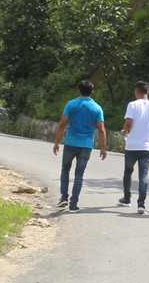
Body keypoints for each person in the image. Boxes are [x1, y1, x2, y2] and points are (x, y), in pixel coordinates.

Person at [52, 80, 107, 213]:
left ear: (79, 91)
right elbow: (101, 129)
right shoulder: (97, 108)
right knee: (79, 174)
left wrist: (56, 142)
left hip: (70, 142)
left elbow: (62, 124)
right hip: (86, 144)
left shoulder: (71, 104)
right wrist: (103, 147)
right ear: (92, 92)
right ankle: (73, 204)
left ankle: (63, 197)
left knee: (65, 169)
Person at [118, 80, 149, 214]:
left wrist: (125, 132)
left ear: (137, 91)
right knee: (143, 175)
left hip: (132, 146)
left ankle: (127, 199)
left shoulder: (132, 105)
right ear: (147, 92)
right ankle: (141, 205)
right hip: (147, 146)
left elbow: (128, 123)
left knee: (128, 171)